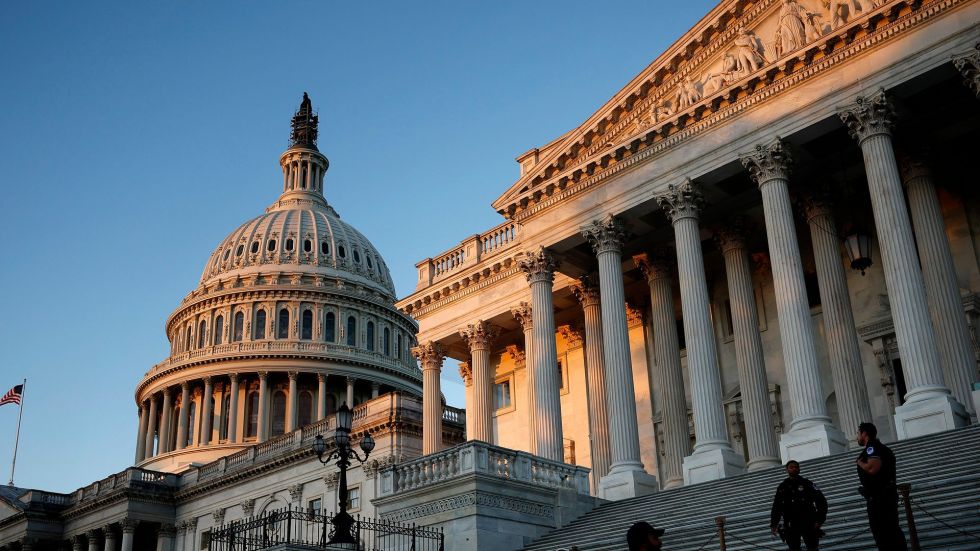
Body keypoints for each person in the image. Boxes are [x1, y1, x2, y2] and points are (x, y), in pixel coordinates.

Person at [856, 422, 908, 550]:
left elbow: (872, 468)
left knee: (883, 534)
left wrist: (859, 462)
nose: (857, 437)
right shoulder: (883, 448)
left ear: (864, 433)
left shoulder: (872, 447)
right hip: (885, 496)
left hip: (880, 498)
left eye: (858, 433)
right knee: (892, 531)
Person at [770, 460, 827, 550]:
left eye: (796, 467)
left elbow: (821, 501)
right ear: (787, 470)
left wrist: (819, 520)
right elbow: (777, 506)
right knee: (793, 548)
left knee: (812, 547)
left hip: (808, 522)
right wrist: (774, 524)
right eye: (791, 467)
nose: (794, 469)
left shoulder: (807, 483)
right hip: (790, 523)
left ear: (799, 469)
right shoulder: (782, 487)